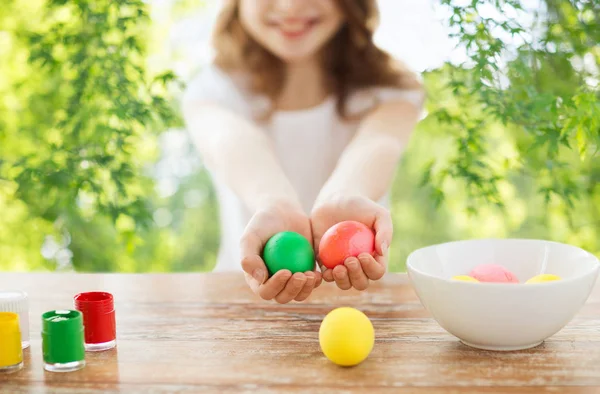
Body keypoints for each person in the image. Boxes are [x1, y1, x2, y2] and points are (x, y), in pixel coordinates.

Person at [182, 0, 425, 304]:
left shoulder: (392, 88)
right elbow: (231, 141)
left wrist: (342, 194)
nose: (290, 6)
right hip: (240, 305)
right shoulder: (213, 89)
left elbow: (377, 144)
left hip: (363, 305)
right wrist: (274, 201)